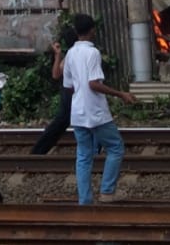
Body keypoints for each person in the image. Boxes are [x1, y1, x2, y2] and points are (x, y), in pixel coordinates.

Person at [61, 13, 136, 205]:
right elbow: (93, 83)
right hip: (95, 112)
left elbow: (69, 86)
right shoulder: (92, 53)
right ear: (92, 30)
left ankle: (85, 200)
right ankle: (107, 192)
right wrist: (121, 94)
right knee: (116, 148)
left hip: (77, 112)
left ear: (76, 31)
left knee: (84, 156)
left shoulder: (70, 54)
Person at [31, 23, 76, 155]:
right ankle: (38, 151)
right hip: (70, 93)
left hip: (68, 93)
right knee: (61, 122)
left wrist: (58, 55)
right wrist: (58, 55)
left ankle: (39, 150)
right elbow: (56, 75)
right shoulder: (71, 55)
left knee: (62, 122)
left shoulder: (70, 55)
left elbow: (55, 75)